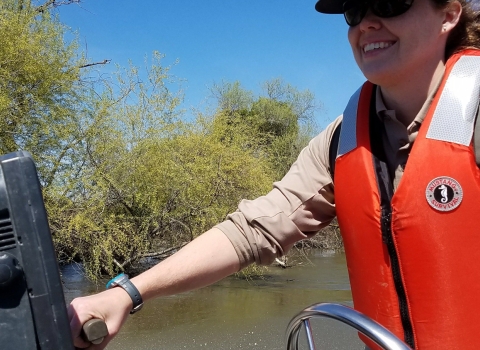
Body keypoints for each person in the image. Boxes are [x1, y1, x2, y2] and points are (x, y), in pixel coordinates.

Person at [69, 0, 480, 349]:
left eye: (390, 3)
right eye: (354, 10)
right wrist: (128, 293)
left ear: (448, 15)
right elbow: (255, 230)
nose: (368, 23)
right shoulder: (343, 139)